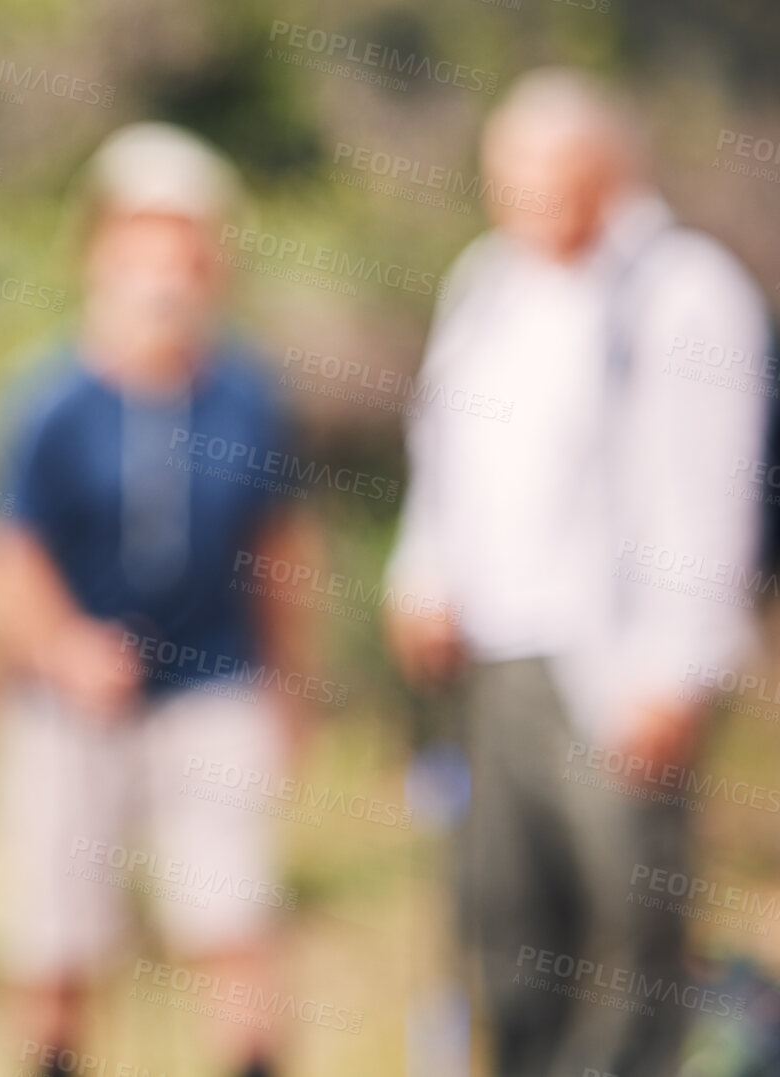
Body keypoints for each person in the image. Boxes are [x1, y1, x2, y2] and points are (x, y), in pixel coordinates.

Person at [384, 68, 772, 1077]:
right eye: (503, 172)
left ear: (607, 168)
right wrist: (421, 577)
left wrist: (676, 670)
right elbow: (446, 454)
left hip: (617, 670)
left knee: (623, 938)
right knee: (506, 929)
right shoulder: (484, 283)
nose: (519, 195)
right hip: (498, 658)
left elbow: (708, 489)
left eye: (543, 172)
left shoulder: (683, 292)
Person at [0, 124, 311, 1077]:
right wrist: (65, 646)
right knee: (58, 936)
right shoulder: (48, 400)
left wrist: (291, 687)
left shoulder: (248, 395)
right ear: (101, 251)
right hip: (69, 701)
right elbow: (4, 550)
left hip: (212, 684)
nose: (163, 269)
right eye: (142, 240)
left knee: (231, 911)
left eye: (185, 243)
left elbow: (279, 547)